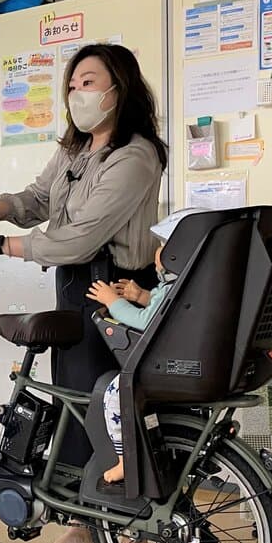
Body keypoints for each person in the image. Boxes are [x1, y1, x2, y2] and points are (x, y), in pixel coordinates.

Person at [0, 44, 168, 543]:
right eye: (72, 84)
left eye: (89, 83)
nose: (77, 94)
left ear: (120, 88)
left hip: (116, 289)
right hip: (76, 286)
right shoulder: (75, 149)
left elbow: (78, 238)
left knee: (108, 410)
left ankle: (133, 538)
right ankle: (84, 525)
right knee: (75, 404)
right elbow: (40, 198)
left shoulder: (135, 156)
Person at [86, 208, 207, 486]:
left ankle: (125, 459)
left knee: (115, 393)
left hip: (163, 365)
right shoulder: (194, 285)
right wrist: (141, 295)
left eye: (163, 246)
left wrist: (113, 301)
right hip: (188, 362)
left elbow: (144, 321)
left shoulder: (175, 285)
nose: (158, 251)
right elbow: (163, 310)